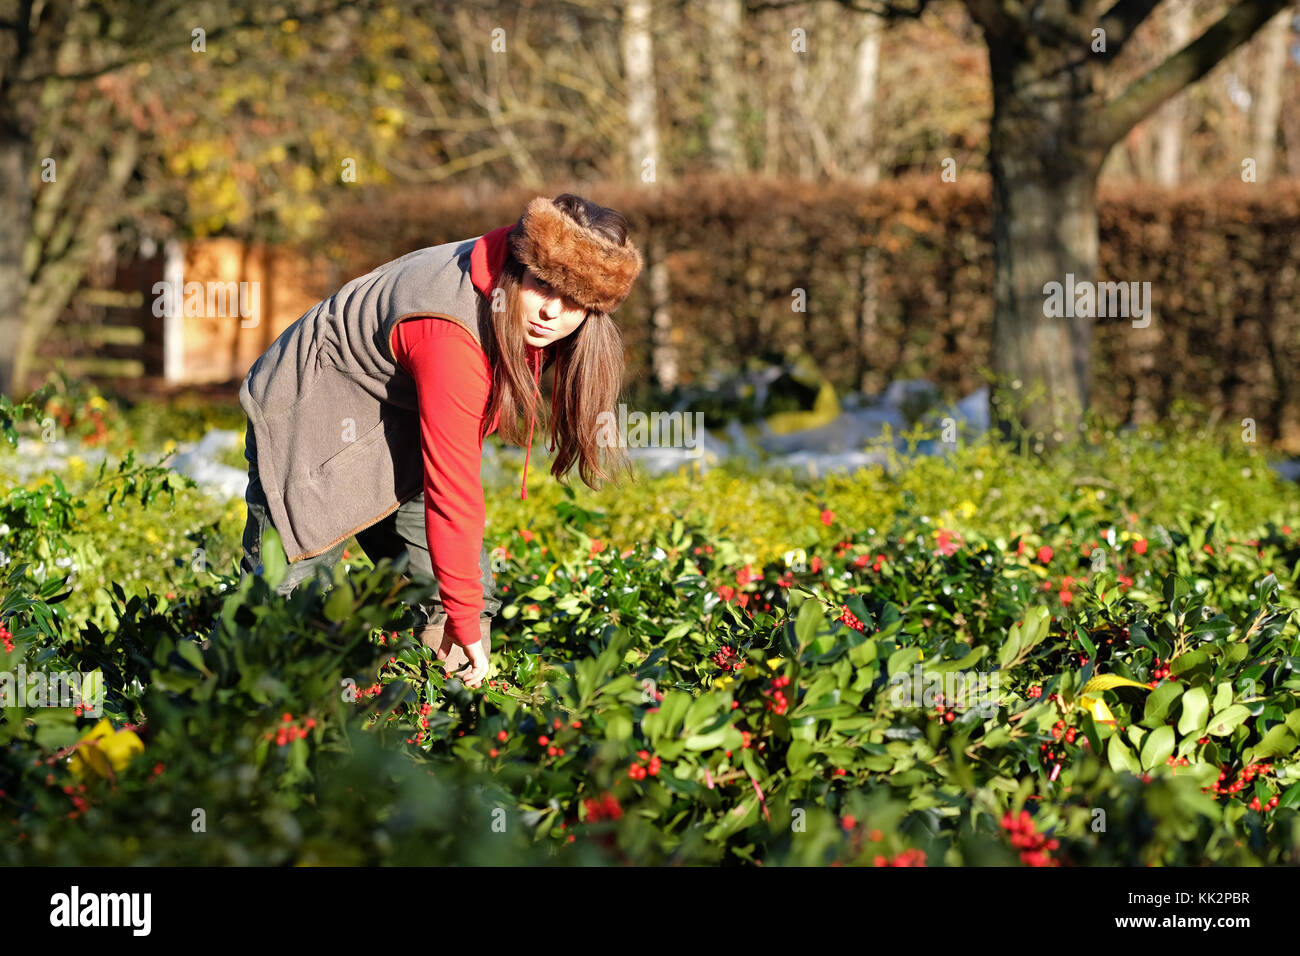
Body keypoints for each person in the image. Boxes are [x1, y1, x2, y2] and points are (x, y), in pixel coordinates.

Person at [237, 194, 643, 688]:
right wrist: (465, 619)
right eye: (543, 286)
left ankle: (434, 723)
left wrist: (465, 616)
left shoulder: (508, 292)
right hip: (313, 402)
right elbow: (453, 490)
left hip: (397, 407)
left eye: (576, 301)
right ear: (521, 266)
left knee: (458, 590)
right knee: (288, 591)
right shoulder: (450, 333)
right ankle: (221, 725)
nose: (552, 313)